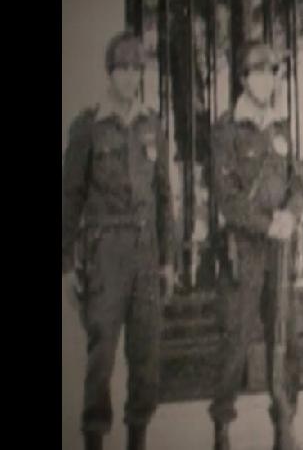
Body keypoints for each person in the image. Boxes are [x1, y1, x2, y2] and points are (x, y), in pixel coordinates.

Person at [62, 31, 178, 450]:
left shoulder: (152, 124)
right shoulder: (88, 126)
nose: (129, 77)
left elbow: (165, 196)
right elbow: (70, 197)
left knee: (145, 355)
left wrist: (169, 260)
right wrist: (65, 265)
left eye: (136, 69)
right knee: (102, 355)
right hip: (105, 255)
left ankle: (137, 438)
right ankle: (94, 437)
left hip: (146, 255)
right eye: (122, 69)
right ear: (109, 73)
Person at [207, 41, 303, 450]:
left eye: (272, 74)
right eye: (259, 73)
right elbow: (226, 197)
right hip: (244, 250)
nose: (266, 81)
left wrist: (292, 213)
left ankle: (284, 423)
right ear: (245, 79)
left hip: (279, 250)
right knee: (235, 339)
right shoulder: (226, 129)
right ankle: (222, 428)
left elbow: (298, 182)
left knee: (285, 337)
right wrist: (268, 224)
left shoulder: (281, 127)